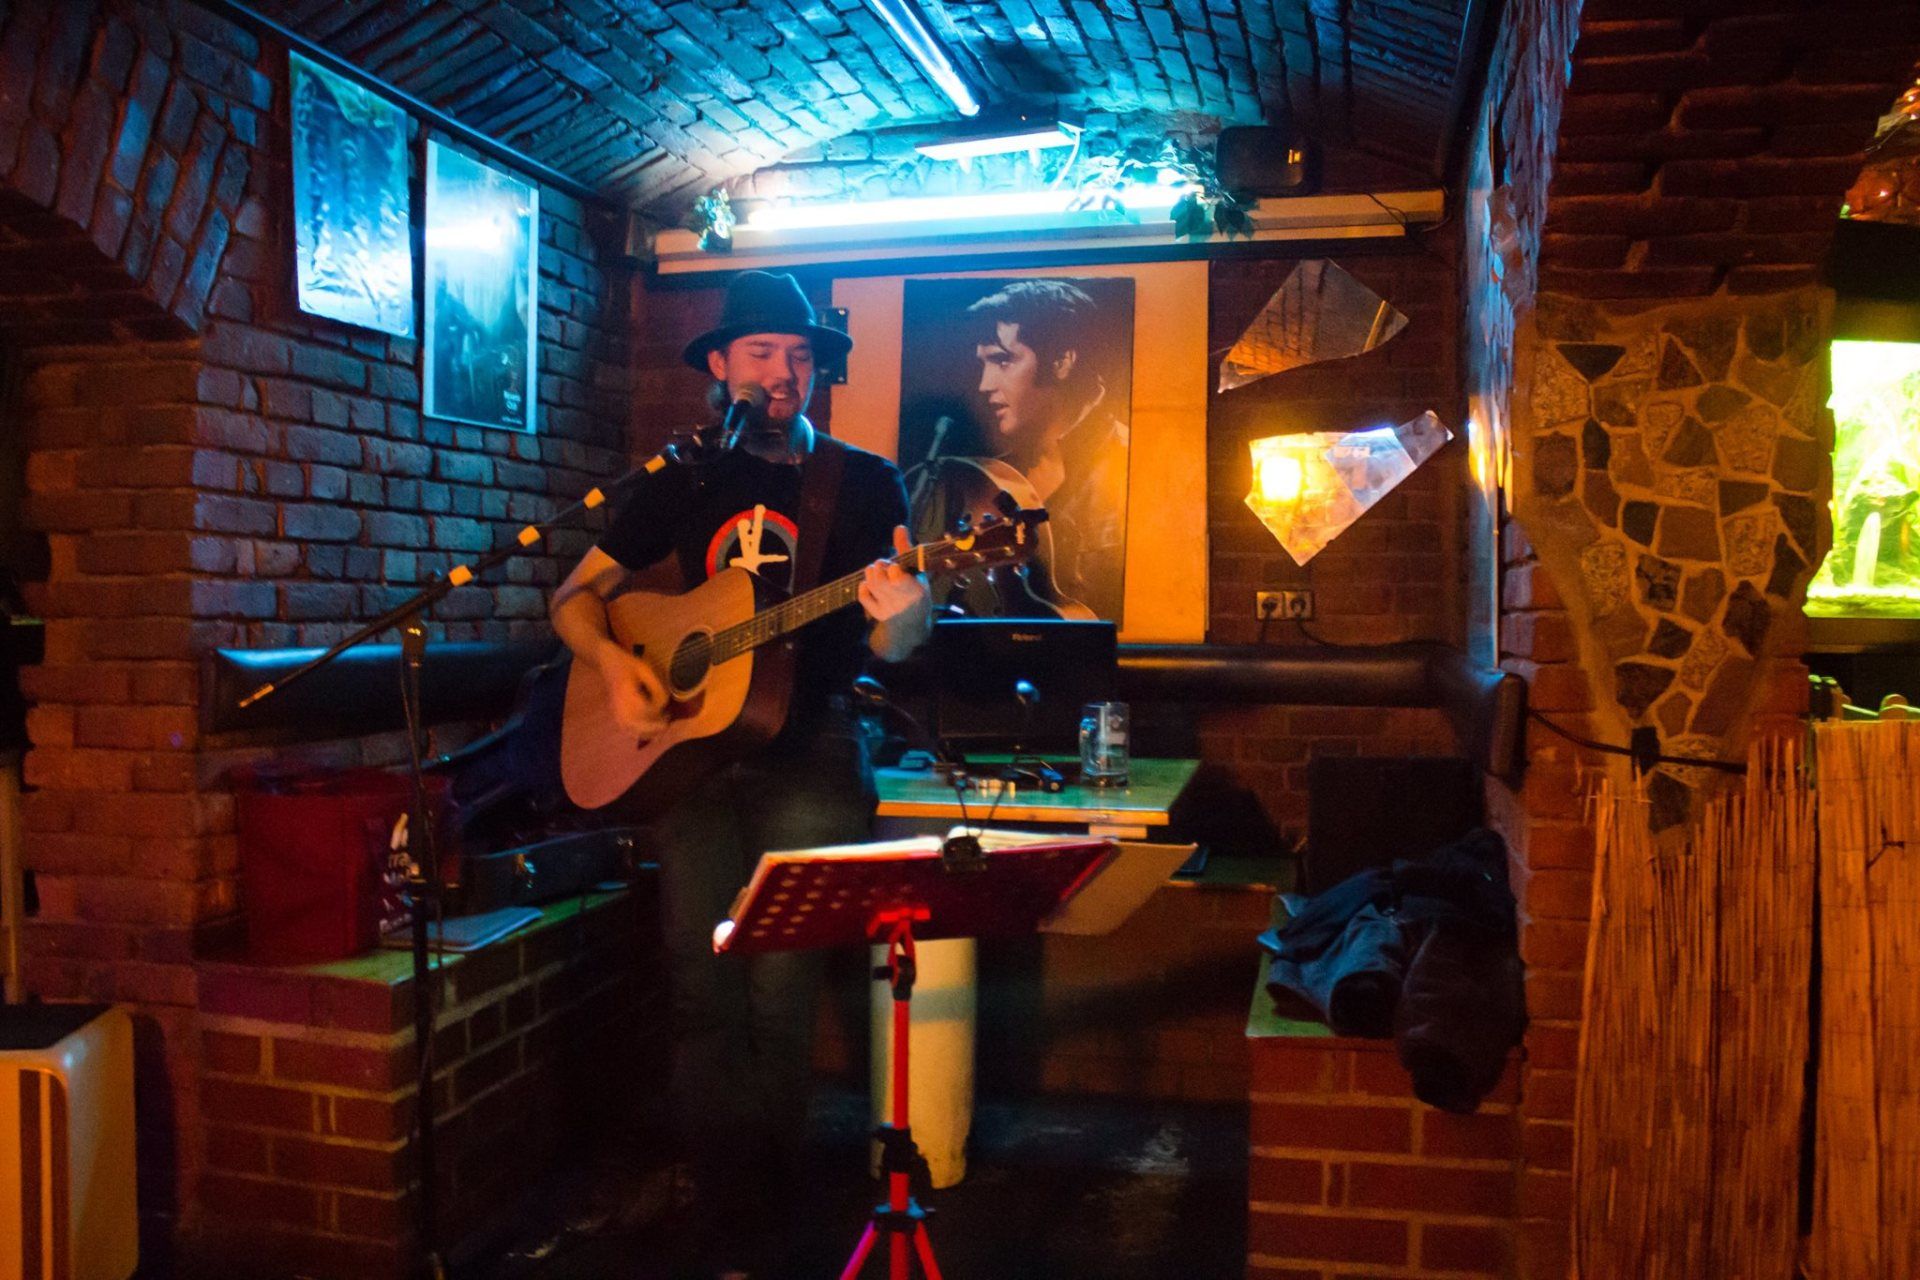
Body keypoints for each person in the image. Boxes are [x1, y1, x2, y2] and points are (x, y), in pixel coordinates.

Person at [548, 270, 932, 1280]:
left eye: (800, 356)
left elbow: (900, 643)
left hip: (811, 754)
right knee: (700, 990)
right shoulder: (685, 477)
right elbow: (575, 598)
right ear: (720, 365)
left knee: (778, 992)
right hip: (690, 758)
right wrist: (617, 665)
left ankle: (772, 1219)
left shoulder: (863, 482)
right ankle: (727, 1217)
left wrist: (905, 613)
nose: (784, 373)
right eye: (762, 353)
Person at [910, 279, 1130, 621]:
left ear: (1062, 362)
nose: (984, 385)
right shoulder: (992, 476)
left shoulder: (1130, 462)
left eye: (1003, 361)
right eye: (983, 364)